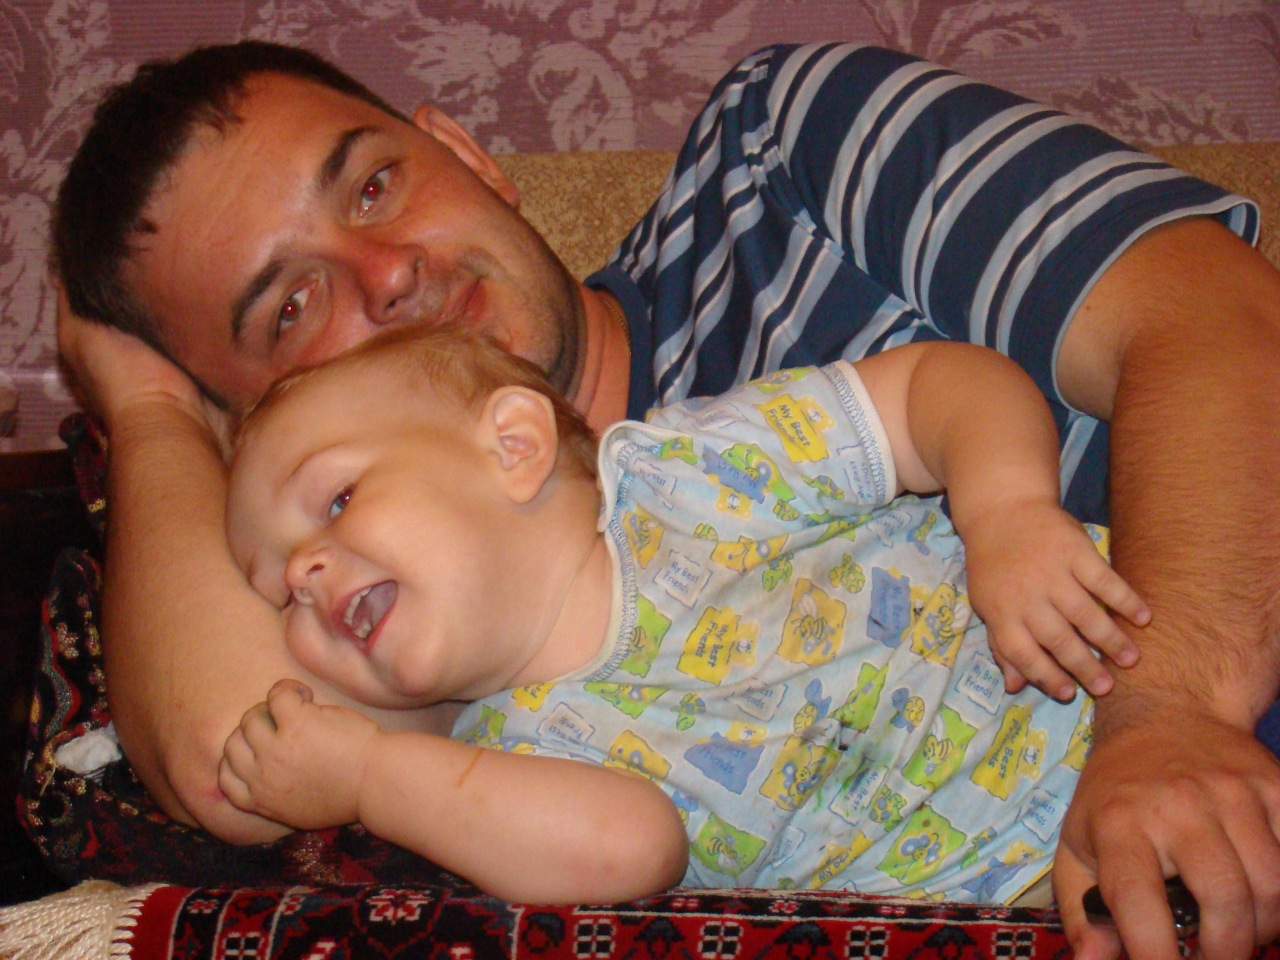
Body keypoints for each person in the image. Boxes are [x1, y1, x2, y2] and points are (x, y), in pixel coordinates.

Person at [51, 38, 1280, 960]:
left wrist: (1164, 713)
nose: (387, 274)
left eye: (372, 188)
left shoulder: (769, 160)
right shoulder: (443, 641)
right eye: (290, 307)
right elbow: (238, 757)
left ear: (466, 154)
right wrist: (150, 412)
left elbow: (1214, 322)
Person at [218, 326, 1147, 904]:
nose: (304, 572)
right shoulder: (493, 762)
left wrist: (1008, 512)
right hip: (1009, 898)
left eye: (336, 500)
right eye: (281, 595)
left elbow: (935, 387)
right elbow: (630, 848)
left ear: (513, 445)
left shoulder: (689, 469)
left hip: (1121, 674)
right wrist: (372, 774)